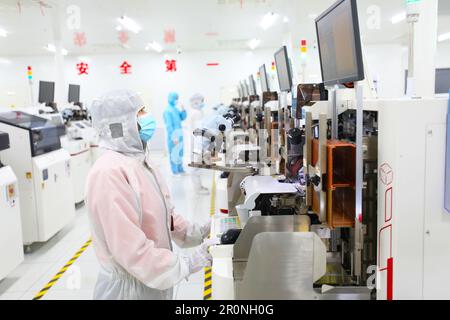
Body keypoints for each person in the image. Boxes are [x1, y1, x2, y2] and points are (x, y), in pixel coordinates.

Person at [86, 90, 216, 300]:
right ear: (119, 124)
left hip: (151, 282)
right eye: (140, 112)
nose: (147, 116)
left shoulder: (140, 161)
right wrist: (186, 265)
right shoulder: (108, 172)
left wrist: (201, 230)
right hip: (129, 291)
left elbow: (165, 216)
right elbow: (131, 250)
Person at [188, 94, 210, 195]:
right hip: (196, 143)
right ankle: (198, 189)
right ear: (196, 101)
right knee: (196, 166)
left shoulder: (197, 112)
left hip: (197, 142)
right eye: (201, 100)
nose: (202, 102)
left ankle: (199, 186)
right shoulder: (196, 113)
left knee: (197, 165)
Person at [163, 92, 187, 175]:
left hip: (179, 134)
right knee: (174, 153)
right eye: (175, 98)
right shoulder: (167, 111)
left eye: (177, 98)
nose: (177, 100)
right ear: (171, 99)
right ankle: (175, 171)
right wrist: (174, 137)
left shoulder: (175, 109)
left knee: (179, 152)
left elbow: (182, 117)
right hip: (173, 136)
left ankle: (180, 169)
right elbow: (169, 126)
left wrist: (183, 109)